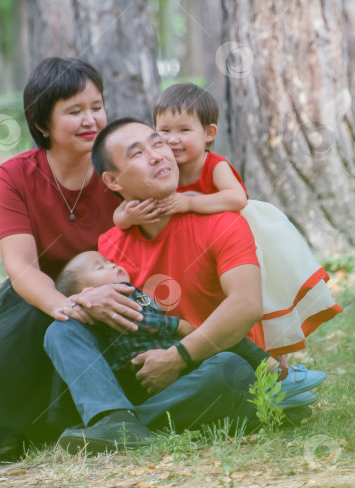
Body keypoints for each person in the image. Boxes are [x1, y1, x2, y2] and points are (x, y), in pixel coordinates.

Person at [0, 58, 149, 470]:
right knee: (40, 323)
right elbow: (21, 265)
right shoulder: (16, 175)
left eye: (96, 106)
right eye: (74, 111)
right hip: (42, 296)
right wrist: (70, 305)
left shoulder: (120, 169)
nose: (90, 120)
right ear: (42, 122)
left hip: (121, 290)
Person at [46, 118, 325, 454]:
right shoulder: (109, 246)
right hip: (140, 372)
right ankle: (116, 418)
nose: (157, 156)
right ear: (112, 180)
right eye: (137, 154)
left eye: (158, 144)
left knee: (229, 369)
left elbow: (246, 305)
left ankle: (124, 426)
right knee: (60, 330)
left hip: (204, 367)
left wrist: (178, 357)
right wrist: (85, 301)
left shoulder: (223, 223)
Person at [114, 83, 342, 358]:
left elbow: (237, 199)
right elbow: (119, 217)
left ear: (209, 133)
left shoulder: (213, 164)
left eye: (184, 130)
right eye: (164, 131)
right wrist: (128, 216)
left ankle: (275, 356)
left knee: (260, 297)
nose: (172, 139)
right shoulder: (161, 170)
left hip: (237, 239)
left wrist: (189, 202)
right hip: (192, 248)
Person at [54, 251, 319, 408]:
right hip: (147, 363)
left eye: (108, 261)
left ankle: (275, 387)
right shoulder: (115, 303)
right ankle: (275, 377)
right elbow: (142, 321)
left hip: (159, 354)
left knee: (220, 347)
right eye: (100, 267)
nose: (112, 265)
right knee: (222, 347)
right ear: (88, 293)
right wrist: (178, 325)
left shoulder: (127, 293)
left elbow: (150, 310)